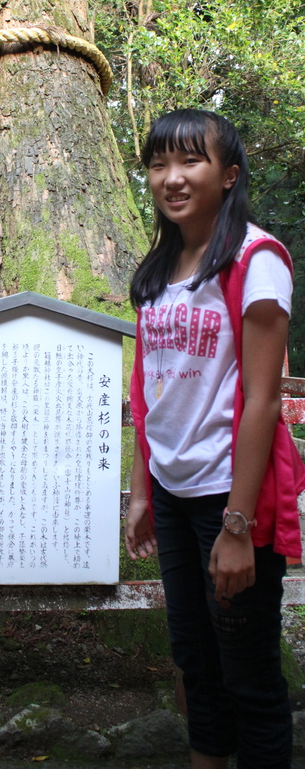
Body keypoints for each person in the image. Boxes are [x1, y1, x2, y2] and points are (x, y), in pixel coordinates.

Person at [125, 108, 305, 769]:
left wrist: (236, 526)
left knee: (249, 680)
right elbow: (150, 392)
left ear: (227, 175)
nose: (171, 178)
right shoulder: (157, 273)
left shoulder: (256, 261)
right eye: (157, 164)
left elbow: (262, 399)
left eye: (189, 161)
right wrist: (141, 491)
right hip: (172, 493)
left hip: (230, 497)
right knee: (194, 666)